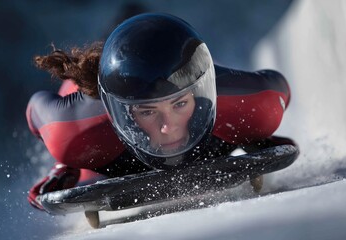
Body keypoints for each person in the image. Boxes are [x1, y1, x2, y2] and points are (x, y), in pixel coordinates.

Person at [26, 13, 295, 211]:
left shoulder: (254, 104)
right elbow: (34, 111)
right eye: (147, 112)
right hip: (98, 119)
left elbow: (281, 88)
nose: (168, 128)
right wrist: (67, 161)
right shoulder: (73, 130)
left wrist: (250, 130)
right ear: (122, 113)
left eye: (179, 105)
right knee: (74, 104)